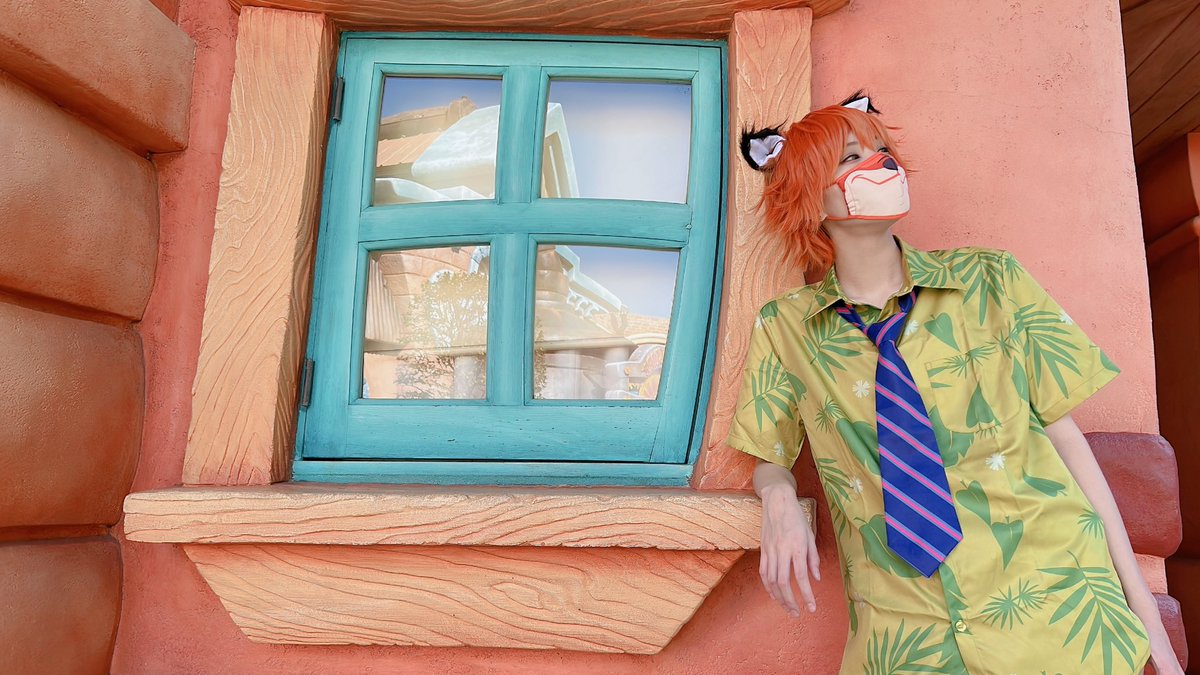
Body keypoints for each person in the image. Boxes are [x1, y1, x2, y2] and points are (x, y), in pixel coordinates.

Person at [725, 91, 1183, 675]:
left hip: (1057, 616)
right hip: (908, 639)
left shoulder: (992, 280)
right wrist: (778, 496)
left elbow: (1067, 442)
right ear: (809, 198)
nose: (880, 164)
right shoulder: (786, 328)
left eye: (882, 150)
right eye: (851, 157)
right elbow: (769, 453)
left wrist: (1149, 621)